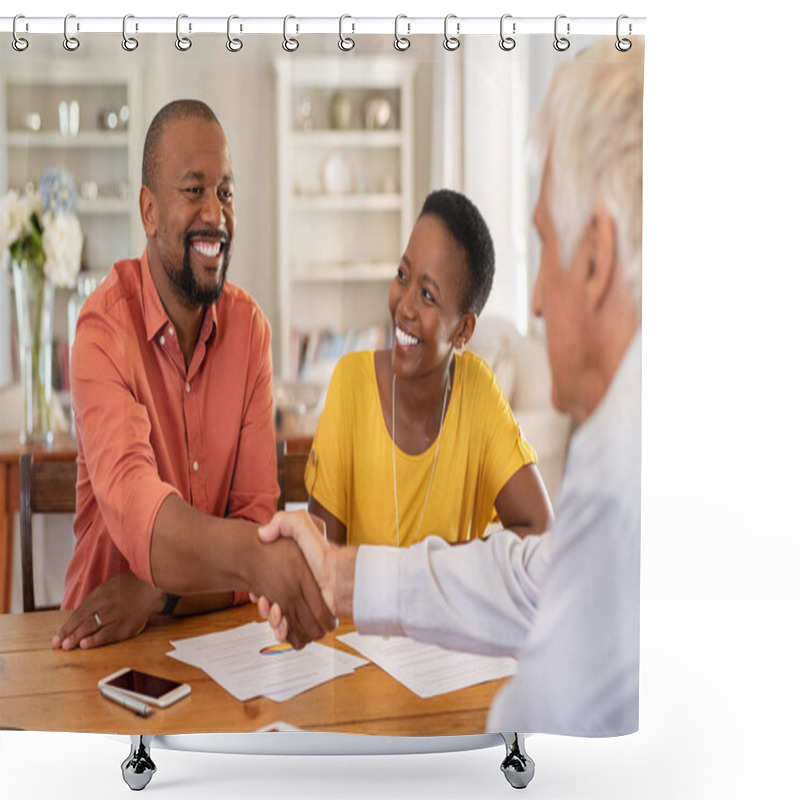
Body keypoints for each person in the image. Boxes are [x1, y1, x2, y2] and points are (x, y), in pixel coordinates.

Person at [257, 40, 643, 735]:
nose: (534, 305)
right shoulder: (616, 462)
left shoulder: (608, 467)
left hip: (440, 690)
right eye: (404, 276)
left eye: (548, 246)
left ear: (597, 255)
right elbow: (535, 576)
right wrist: (336, 580)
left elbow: (540, 559)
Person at [53, 100, 333, 651]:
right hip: (101, 647)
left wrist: (157, 595)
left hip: (216, 640)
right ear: (150, 211)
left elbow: (255, 516)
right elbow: (146, 524)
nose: (216, 213)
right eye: (194, 190)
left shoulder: (249, 329)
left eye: (225, 192)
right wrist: (256, 561)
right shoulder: (102, 333)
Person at [306, 189, 552, 548]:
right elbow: (322, 565)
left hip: (447, 609)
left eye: (428, 296)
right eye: (403, 276)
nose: (404, 307)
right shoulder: (351, 384)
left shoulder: (478, 393)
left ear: (463, 330)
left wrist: (431, 573)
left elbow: (541, 532)